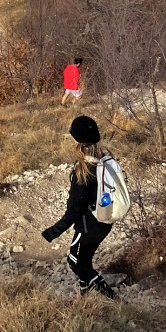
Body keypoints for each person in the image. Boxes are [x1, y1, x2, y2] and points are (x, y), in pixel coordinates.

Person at [42, 114, 117, 298]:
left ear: (79, 142)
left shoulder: (84, 172)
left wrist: (52, 232)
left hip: (89, 226)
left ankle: (113, 298)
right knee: (85, 260)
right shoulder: (105, 159)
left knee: (75, 262)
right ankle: (85, 297)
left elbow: (75, 210)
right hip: (104, 219)